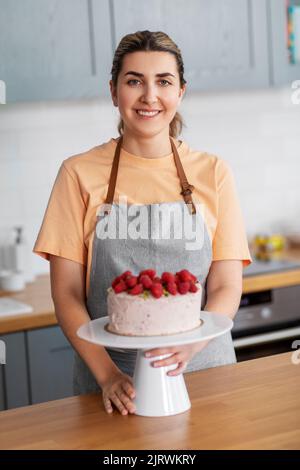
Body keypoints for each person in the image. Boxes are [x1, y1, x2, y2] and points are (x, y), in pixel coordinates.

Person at [33, 30, 252, 416]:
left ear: (180, 91)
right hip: (113, 386)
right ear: (113, 90)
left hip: (204, 373)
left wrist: (191, 347)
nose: (149, 96)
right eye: (134, 81)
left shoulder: (214, 172)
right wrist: (107, 376)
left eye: (163, 82)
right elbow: (66, 293)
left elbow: (227, 283)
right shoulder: (78, 173)